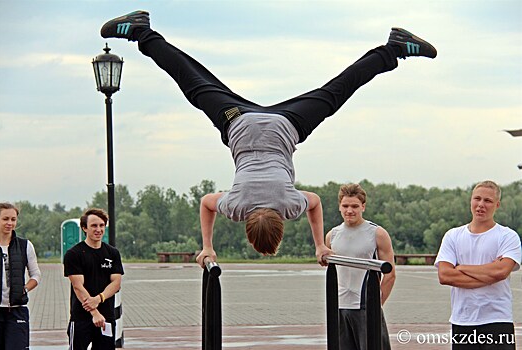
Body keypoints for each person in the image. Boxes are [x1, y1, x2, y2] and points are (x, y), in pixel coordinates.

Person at [100, 10, 437, 267]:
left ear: (281, 226)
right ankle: (143, 32)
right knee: (192, 79)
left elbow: (316, 202)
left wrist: (319, 244)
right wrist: (207, 245)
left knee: (337, 90)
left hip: (286, 124)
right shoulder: (235, 206)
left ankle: (393, 49)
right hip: (238, 122)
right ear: (247, 225)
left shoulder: (290, 205)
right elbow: (206, 203)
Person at [435, 180, 521, 350]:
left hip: (497, 320)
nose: (481, 205)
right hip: (462, 321)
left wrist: (461, 267)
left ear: (497, 205)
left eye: (488, 201)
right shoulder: (453, 236)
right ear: (471, 201)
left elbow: (502, 272)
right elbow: (445, 276)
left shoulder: (507, 236)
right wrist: (490, 273)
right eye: (477, 199)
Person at [325, 184, 395, 349]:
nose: (350, 210)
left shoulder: (377, 233)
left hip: (366, 307)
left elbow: (390, 274)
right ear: (339, 207)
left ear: (363, 206)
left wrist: (376, 306)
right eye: (346, 206)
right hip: (339, 308)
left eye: (355, 206)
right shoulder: (332, 235)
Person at [63, 208, 124, 350]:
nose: (98, 229)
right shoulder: (74, 254)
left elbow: (116, 283)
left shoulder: (112, 253)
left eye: (102, 225)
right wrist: (94, 313)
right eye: (94, 226)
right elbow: (78, 287)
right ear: (84, 228)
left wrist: (99, 299)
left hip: (106, 318)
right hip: (81, 319)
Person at [0, 202, 41, 350]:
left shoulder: (25, 245)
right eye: (5, 219)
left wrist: (25, 289)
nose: (10, 223)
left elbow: (36, 275)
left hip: (17, 311)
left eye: (13, 219)